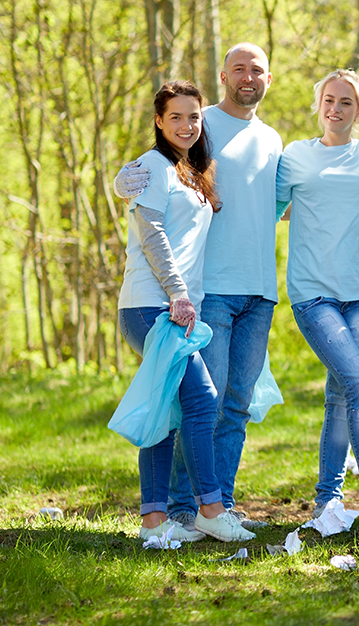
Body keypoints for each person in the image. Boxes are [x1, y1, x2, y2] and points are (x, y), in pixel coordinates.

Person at [114, 43, 282, 530]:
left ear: (269, 78)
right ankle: (200, 510)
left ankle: (164, 516)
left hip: (194, 299)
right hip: (162, 303)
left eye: (257, 69)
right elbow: (149, 222)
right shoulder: (164, 157)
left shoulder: (197, 162)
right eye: (178, 118)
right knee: (199, 401)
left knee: (185, 403)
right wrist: (122, 179)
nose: (189, 125)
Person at [276, 69, 359, 522]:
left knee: (339, 395)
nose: (335, 109)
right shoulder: (295, 157)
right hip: (313, 295)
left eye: (346, 102)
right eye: (329, 100)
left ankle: (327, 498)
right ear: (318, 106)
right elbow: (265, 206)